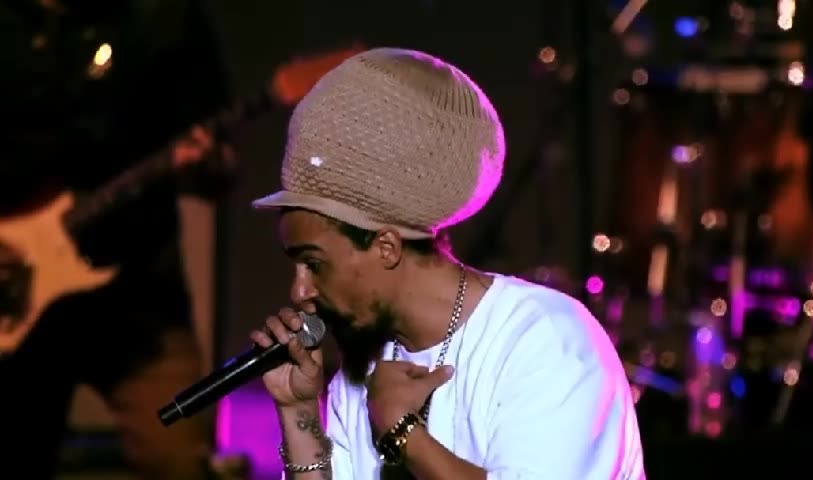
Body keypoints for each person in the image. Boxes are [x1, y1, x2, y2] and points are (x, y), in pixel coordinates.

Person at [249, 48, 646, 479]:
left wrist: (404, 433)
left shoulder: (545, 340)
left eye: (314, 263)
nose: (299, 291)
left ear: (386, 246)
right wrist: (299, 410)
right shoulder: (364, 360)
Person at [0, 1, 235, 478]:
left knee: (178, 460)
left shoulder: (168, 18)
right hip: (13, 293)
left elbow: (221, 166)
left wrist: (207, 165)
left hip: (139, 293)